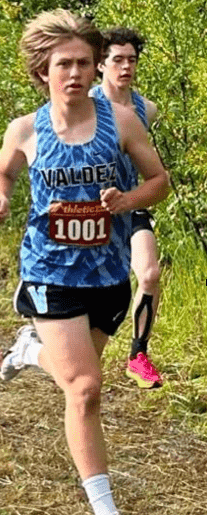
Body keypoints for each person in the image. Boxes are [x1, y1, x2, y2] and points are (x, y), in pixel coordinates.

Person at [0, 10, 168, 515]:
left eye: (83, 63)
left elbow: (158, 182)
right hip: (50, 272)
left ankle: (31, 350)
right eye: (63, 63)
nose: (74, 73)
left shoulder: (122, 121)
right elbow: (2, 169)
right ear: (43, 71)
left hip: (107, 275)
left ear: (95, 68)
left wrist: (127, 201)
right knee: (87, 389)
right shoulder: (26, 129)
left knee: (76, 385)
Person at [89, 28, 162, 389]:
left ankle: (138, 354)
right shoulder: (81, 103)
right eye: (117, 59)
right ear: (100, 64)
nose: (126, 66)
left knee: (148, 273)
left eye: (131, 59)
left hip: (129, 204)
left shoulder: (146, 109)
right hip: (85, 212)